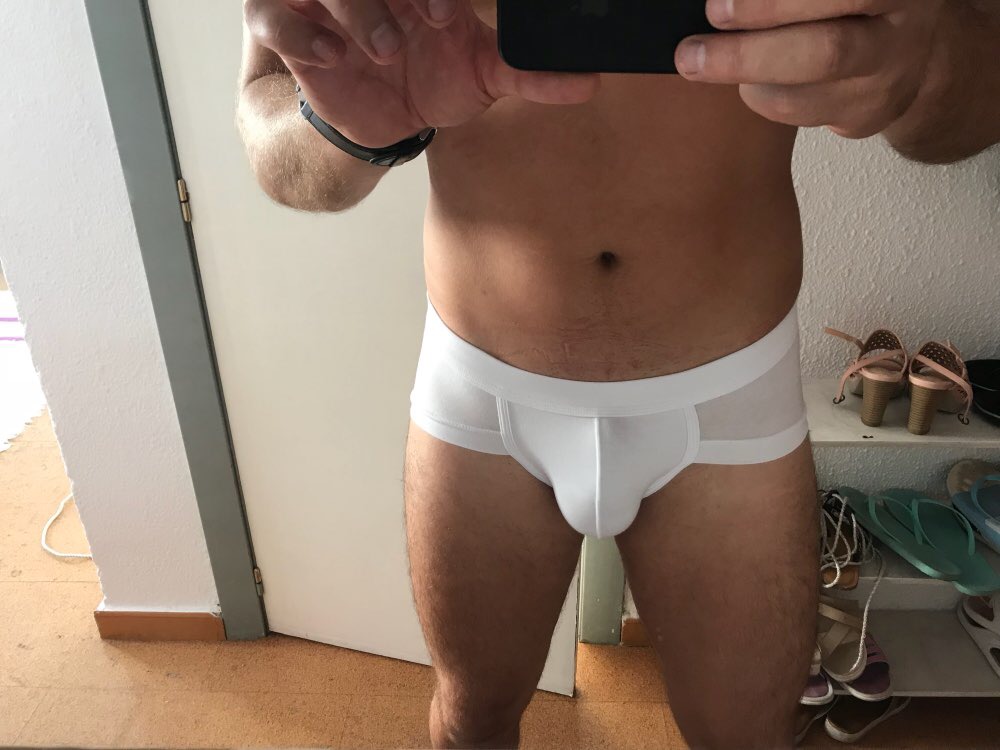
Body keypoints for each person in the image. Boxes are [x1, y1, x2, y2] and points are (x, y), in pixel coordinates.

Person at [236, 1, 1000, 747]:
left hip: (729, 395)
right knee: (472, 722)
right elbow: (269, 132)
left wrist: (928, 64)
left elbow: (979, 96)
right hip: (484, 385)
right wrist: (345, 126)